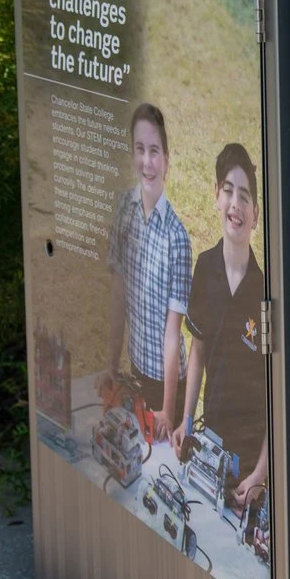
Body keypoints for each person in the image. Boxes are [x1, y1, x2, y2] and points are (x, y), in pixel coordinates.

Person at [180, 143, 269, 545]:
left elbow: (275, 394)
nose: (236, 203)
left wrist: (260, 475)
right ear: (217, 196)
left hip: (251, 461)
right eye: (229, 191)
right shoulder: (204, 268)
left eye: (245, 195)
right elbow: (196, 357)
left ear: (255, 215)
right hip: (209, 446)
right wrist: (185, 424)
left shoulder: (266, 294)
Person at [106, 103, 190, 439]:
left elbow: (173, 335)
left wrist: (168, 410)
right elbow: (117, 293)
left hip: (168, 384)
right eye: (140, 150)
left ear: (166, 160)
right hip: (136, 368)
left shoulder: (177, 238)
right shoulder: (122, 208)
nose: (146, 161)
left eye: (154, 151)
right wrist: (112, 368)